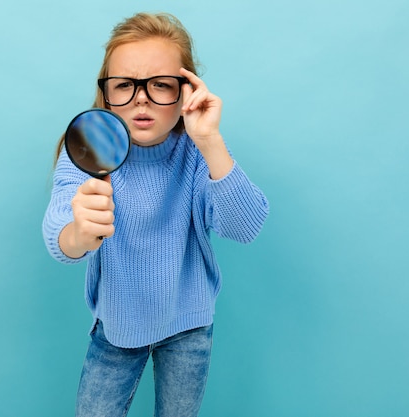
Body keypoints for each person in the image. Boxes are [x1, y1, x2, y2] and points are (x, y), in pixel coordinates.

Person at [43, 12, 269, 417]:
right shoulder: (88, 149)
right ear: (106, 92)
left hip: (188, 325)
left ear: (187, 91)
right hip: (118, 325)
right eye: (125, 85)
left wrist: (210, 141)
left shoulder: (197, 153)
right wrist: (80, 231)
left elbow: (246, 226)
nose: (142, 99)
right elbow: (59, 235)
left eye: (161, 85)